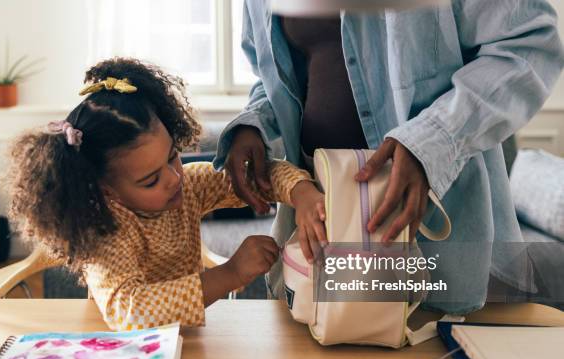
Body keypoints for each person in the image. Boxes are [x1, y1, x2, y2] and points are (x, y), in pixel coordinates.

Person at [215, 1, 564, 314]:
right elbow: (275, 78)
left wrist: (431, 140)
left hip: (437, 234)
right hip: (321, 235)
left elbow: (531, 44)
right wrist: (255, 124)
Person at [3, 58, 326, 331]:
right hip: (121, 357)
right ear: (107, 190)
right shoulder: (104, 232)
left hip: (186, 344)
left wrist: (300, 191)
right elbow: (131, 310)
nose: (174, 179)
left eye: (172, 156)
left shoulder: (187, 185)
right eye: (150, 180)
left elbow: (259, 175)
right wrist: (230, 273)